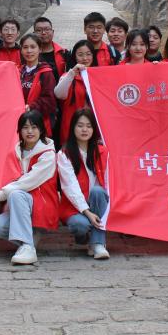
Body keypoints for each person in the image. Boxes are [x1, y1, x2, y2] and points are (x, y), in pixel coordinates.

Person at [0, 110, 59, 265]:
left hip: (41, 205)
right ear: (19, 131)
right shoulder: (15, 151)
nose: (30, 131)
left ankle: (27, 247)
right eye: (25, 127)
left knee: (16, 194)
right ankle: (29, 242)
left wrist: (2, 194)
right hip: (20, 205)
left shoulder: (48, 154)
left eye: (34, 127)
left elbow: (28, 182)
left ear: (41, 129)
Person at [57, 108, 110, 260]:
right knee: (79, 225)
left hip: (97, 202)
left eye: (88, 126)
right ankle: (83, 237)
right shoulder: (64, 154)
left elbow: (108, 183)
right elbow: (70, 187)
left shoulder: (102, 152)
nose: (84, 130)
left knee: (98, 191)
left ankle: (98, 244)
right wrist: (87, 213)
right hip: (74, 206)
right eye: (80, 125)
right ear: (73, 128)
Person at [54, 40, 94, 144]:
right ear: (75, 57)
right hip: (70, 127)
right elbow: (59, 94)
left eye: (88, 54)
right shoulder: (68, 76)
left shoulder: (98, 77)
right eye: (80, 55)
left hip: (92, 127)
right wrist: (72, 73)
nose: (85, 58)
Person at [19, 34, 57, 132]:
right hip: (19, 122)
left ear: (40, 49)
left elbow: (49, 101)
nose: (29, 51)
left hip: (39, 124)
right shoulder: (17, 71)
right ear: (21, 50)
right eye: (25, 47)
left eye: (33, 47)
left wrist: (30, 107)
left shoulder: (46, 72)